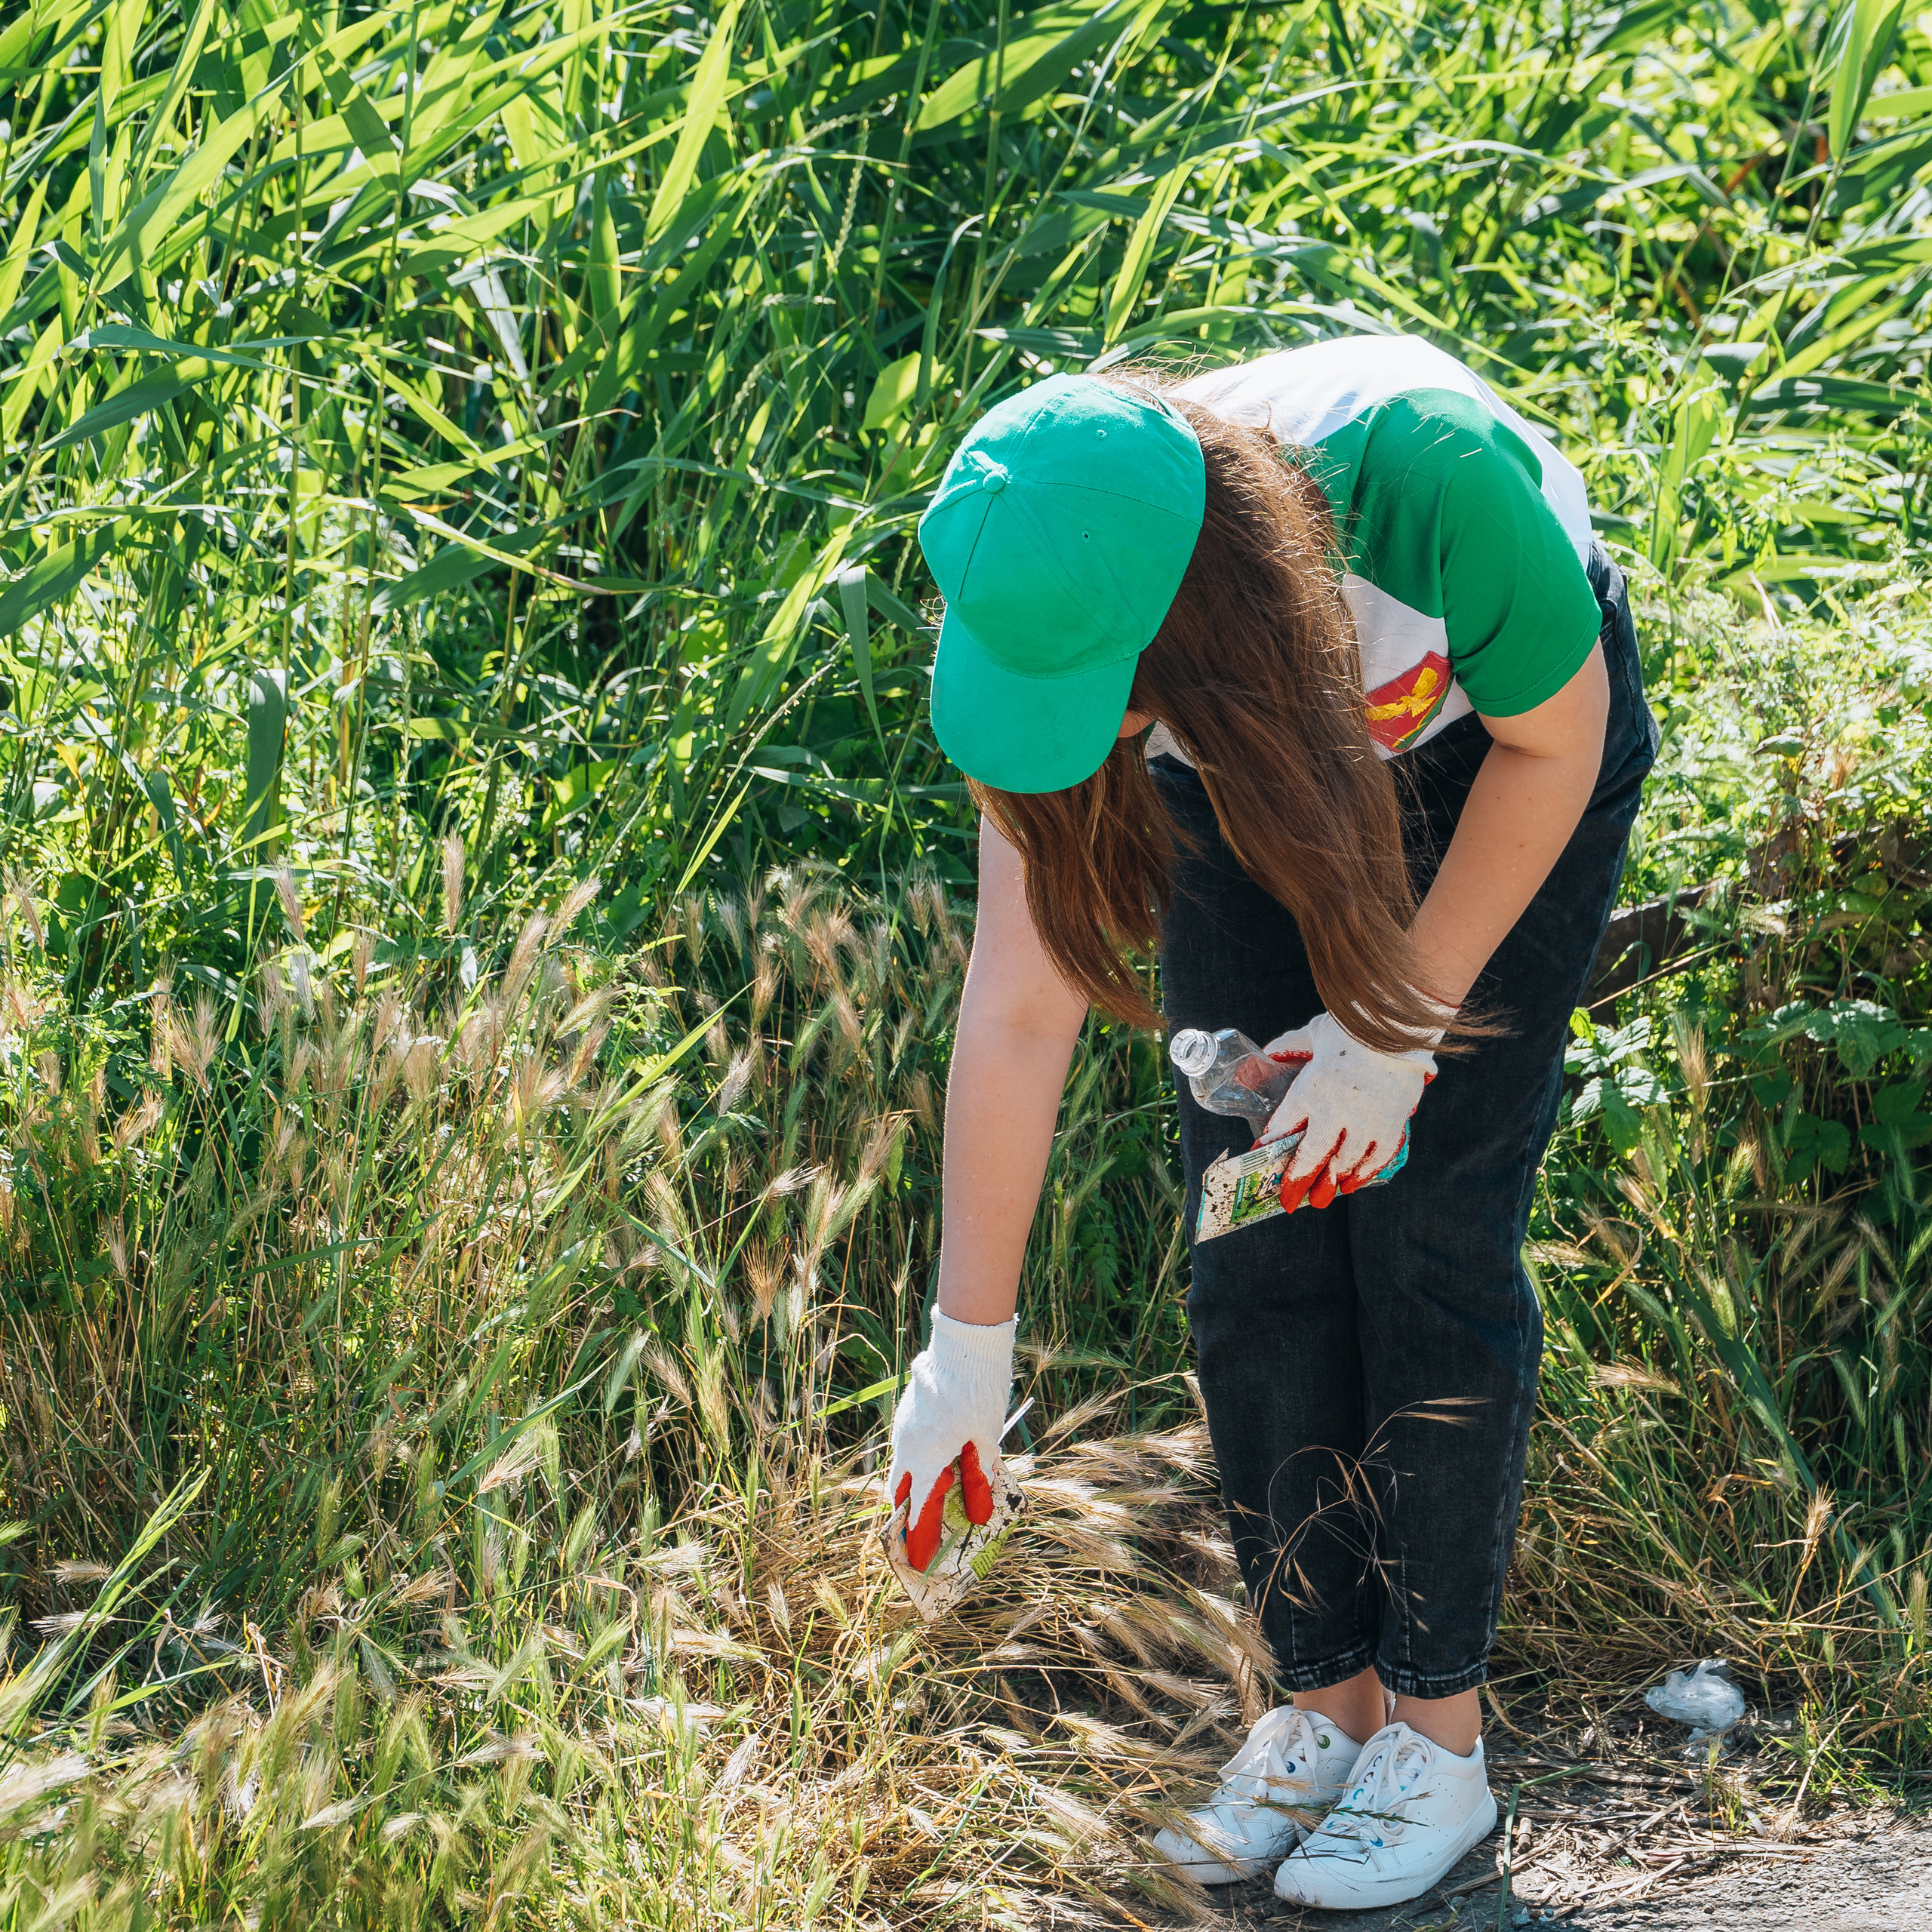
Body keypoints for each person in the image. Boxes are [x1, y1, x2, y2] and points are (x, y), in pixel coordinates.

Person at [884, 333, 1657, 1910]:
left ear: (1184, 630)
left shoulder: (1430, 480)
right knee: (1256, 1233)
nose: (1079, 740)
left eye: (1093, 708)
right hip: (1239, 758)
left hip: (1495, 762)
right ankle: (1325, 1711)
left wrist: (1391, 1029)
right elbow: (1017, 1004)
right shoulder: (1041, 585)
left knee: (1425, 1233)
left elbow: (1557, 741)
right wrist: (966, 1355)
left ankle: (1435, 1749)